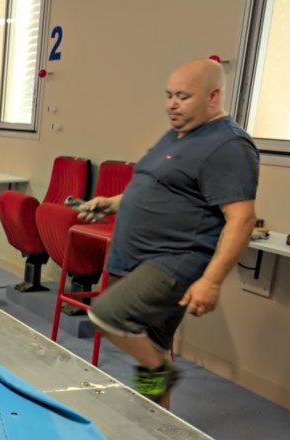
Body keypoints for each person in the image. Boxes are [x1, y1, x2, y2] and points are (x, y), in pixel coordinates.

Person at [76, 58, 259, 408]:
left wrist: (211, 282)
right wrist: (111, 203)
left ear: (213, 96)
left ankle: (161, 372)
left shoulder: (229, 146)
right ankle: (157, 424)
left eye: (183, 96)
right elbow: (159, 185)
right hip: (145, 258)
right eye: (169, 95)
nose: (172, 104)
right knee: (156, 345)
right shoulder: (179, 133)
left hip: (175, 261)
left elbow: (242, 219)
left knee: (106, 314)